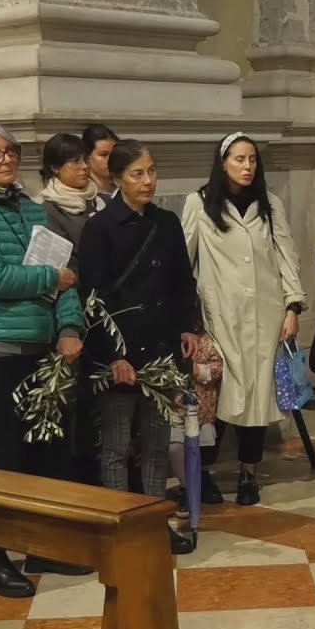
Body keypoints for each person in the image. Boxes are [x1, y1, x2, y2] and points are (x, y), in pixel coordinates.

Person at [0, 123, 89, 597]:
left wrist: (69, 327)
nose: (6, 160)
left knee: (45, 454)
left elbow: (67, 279)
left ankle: (41, 545)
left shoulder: (32, 210)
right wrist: (53, 277)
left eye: (11, 152)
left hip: (43, 350)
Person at [78, 140, 197, 554]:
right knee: (115, 445)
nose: (148, 181)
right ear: (116, 179)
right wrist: (114, 356)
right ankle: (120, 531)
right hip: (121, 353)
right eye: (137, 174)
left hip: (162, 348)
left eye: (151, 171)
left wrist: (189, 328)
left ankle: (154, 525)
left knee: (156, 444)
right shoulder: (99, 228)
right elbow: (93, 298)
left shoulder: (166, 223)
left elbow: (184, 282)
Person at [182, 132, 307, 506]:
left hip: (265, 317)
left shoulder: (270, 203)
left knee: (257, 398)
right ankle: (202, 472)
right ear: (223, 163)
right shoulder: (199, 202)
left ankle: (248, 474)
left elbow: (286, 254)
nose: (247, 166)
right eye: (239, 159)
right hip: (220, 317)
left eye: (252, 159)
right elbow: (184, 260)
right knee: (215, 398)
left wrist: (293, 306)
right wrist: (187, 317)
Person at [37, 133, 103, 274]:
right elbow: (65, 264)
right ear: (55, 167)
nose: (84, 167)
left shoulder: (101, 199)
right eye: (76, 161)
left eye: (85, 160)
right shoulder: (49, 211)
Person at [82, 124, 119, 207]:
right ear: (87, 157)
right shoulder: (80, 196)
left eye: (114, 154)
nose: (111, 159)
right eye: (104, 154)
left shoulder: (125, 191)